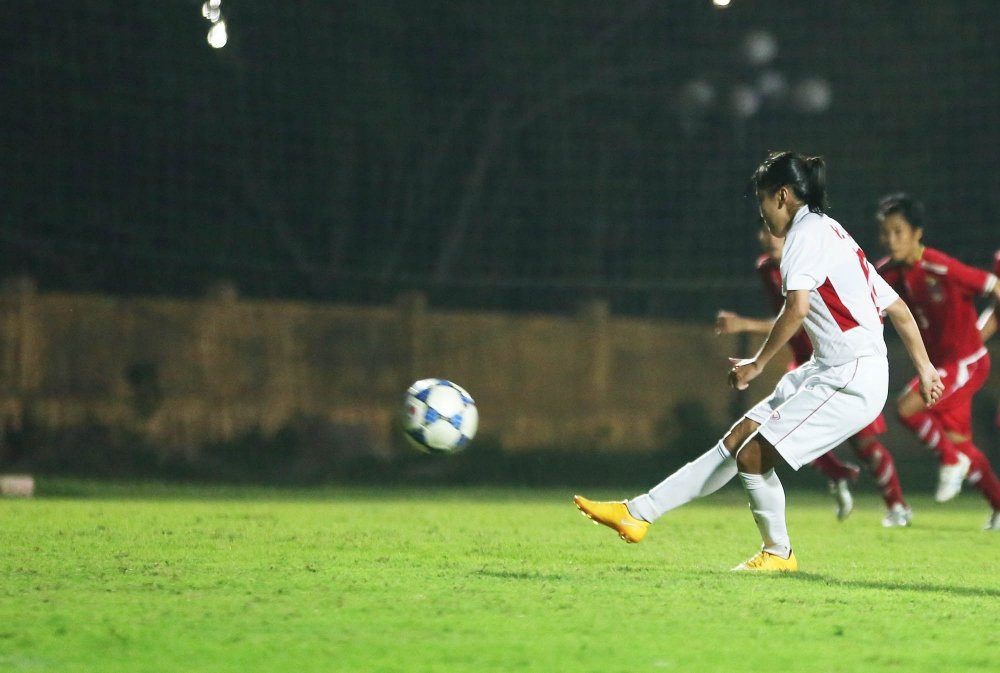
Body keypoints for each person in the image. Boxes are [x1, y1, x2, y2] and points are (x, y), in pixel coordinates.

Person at [574, 152, 942, 572]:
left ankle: (778, 553)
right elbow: (897, 309)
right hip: (832, 368)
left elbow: (797, 309)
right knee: (738, 439)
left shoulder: (804, 237)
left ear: (782, 196)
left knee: (752, 456)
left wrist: (758, 362)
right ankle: (637, 513)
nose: (762, 212)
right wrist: (926, 368)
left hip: (850, 377)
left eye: (763, 201)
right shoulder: (832, 231)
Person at [715, 223, 912, 527]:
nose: (764, 236)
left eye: (771, 230)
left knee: (865, 445)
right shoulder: (767, 268)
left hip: (840, 364)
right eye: (761, 230)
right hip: (803, 364)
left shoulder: (813, 259)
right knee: (780, 431)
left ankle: (896, 505)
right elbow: (785, 317)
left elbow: (799, 314)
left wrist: (744, 325)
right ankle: (838, 473)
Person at [875, 195, 1000, 529]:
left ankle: (949, 459)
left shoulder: (940, 266)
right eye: (885, 233)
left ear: (917, 233)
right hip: (941, 366)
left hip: (966, 363)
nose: (891, 239)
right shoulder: (887, 273)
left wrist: (982, 331)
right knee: (964, 445)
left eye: (899, 231)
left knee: (906, 407)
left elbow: (994, 286)